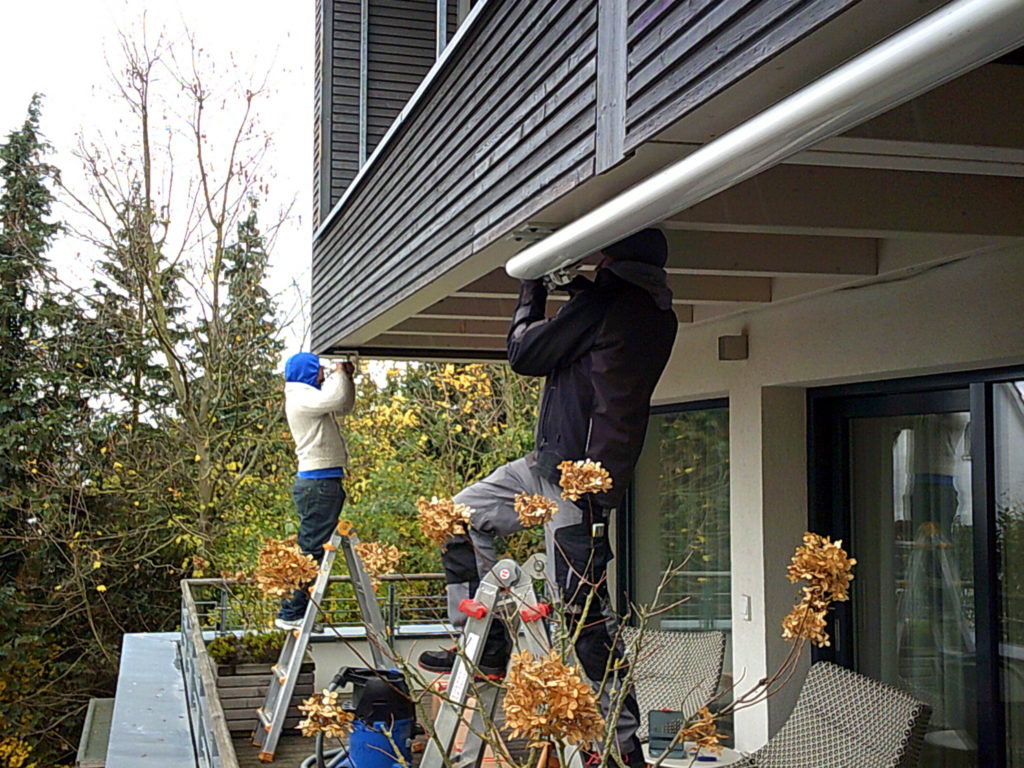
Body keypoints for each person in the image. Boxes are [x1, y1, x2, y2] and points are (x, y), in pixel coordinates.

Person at [417, 228, 678, 765]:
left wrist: (531, 284)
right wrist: (579, 285)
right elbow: (586, 332)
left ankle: (618, 750)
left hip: (577, 486)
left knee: (584, 618)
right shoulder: (647, 310)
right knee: (455, 516)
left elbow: (523, 351)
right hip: (546, 467)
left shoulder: (611, 304)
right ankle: (485, 646)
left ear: (614, 257)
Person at [276, 352, 355, 631]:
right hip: (319, 484)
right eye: (318, 370)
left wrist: (345, 377)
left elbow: (343, 404)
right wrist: (338, 372)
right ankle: (290, 612)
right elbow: (335, 399)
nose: (322, 374)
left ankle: (295, 610)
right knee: (310, 550)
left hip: (322, 483)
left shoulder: (307, 396)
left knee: (312, 547)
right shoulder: (301, 396)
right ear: (307, 372)